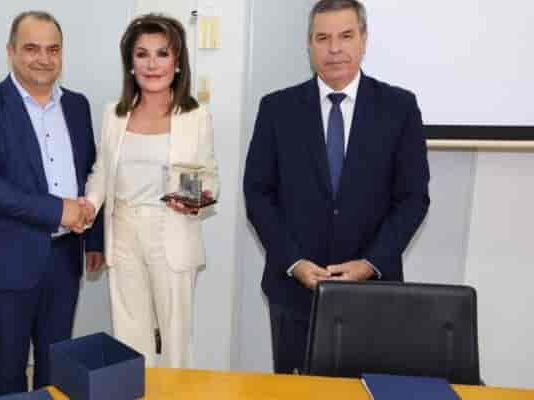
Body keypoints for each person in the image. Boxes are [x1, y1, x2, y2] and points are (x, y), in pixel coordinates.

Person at [243, 0, 430, 374]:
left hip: (372, 292)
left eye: (345, 36)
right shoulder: (277, 108)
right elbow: (258, 193)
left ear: (363, 39)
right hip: (294, 291)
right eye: (322, 38)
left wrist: (370, 263)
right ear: (309, 44)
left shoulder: (399, 107)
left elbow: (412, 198)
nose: (334, 49)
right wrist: (294, 262)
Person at [0, 11, 104, 396]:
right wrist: (58, 210)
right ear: (11, 51)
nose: (43, 58)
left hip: (64, 258)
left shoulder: (77, 106)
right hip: (6, 259)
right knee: (10, 368)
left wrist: (95, 239)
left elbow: (90, 170)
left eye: (53, 49)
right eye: (32, 48)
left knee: (56, 366)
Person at [82, 13, 219, 368]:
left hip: (171, 230)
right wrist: (88, 206)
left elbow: (208, 175)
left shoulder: (196, 116)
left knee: (175, 336)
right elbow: (102, 173)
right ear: (130, 64)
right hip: (123, 231)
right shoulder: (113, 113)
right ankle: (134, 391)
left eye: (162, 54)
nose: (152, 64)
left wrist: (198, 198)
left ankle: (176, 391)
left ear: (177, 62)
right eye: (142, 54)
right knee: (129, 334)